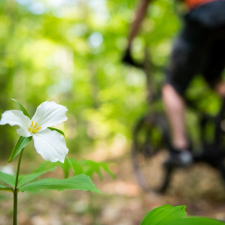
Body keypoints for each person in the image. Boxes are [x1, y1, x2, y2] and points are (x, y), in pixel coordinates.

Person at [123, 0, 225, 166]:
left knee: (172, 87)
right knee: (213, 77)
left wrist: (128, 48)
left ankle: (180, 149)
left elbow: (141, 9)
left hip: (202, 17)